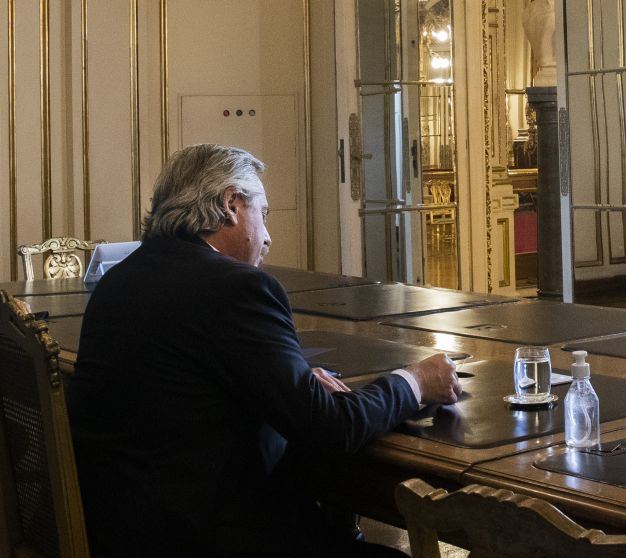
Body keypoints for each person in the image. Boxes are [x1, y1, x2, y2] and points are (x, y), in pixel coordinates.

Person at [67, 144, 463, 557]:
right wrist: (416, 381)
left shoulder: (119, 281)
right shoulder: (237, 288)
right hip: (215, 537)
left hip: (124, 532)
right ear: (230, 205)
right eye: (264, 213)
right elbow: (331, 429)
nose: (268, 236)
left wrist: (286, 386)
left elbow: (183, 392)